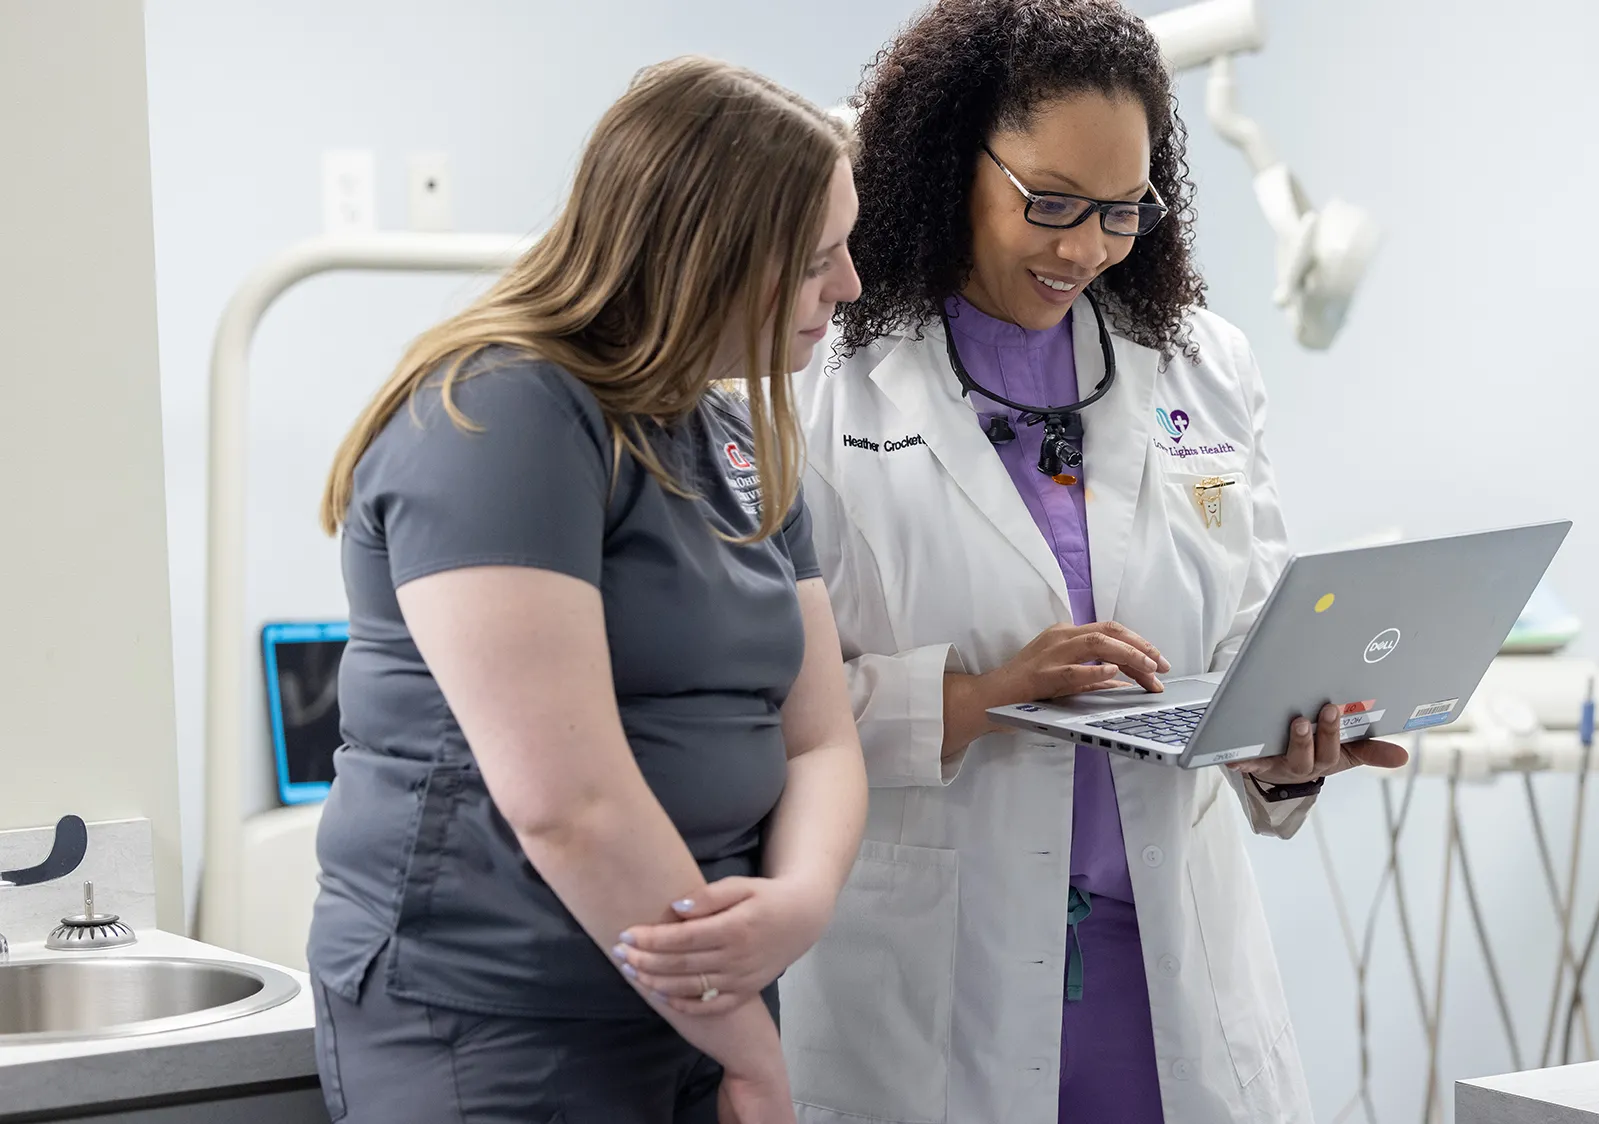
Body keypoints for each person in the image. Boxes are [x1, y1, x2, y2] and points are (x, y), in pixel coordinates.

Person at [622, 3, 1410, 1121]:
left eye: (1122, 211)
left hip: (1168, 967)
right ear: (951, 165)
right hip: (933, 969)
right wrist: (977, 700)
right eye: (1049, 203)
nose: (1085, 247)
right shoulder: (813, 374)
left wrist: (1283, 751)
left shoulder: (1199, 362)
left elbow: (1242, 624)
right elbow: (747, 701)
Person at [305, 56, 867, 1124]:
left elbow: (819, 738)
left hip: (696, 1005)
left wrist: (800, 901)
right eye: (816, 260)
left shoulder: (734, 438)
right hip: (502, 1019)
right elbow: (569, 804)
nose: (845, 288)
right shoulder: (502, 415)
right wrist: (748, 1044)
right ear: (708, 257)